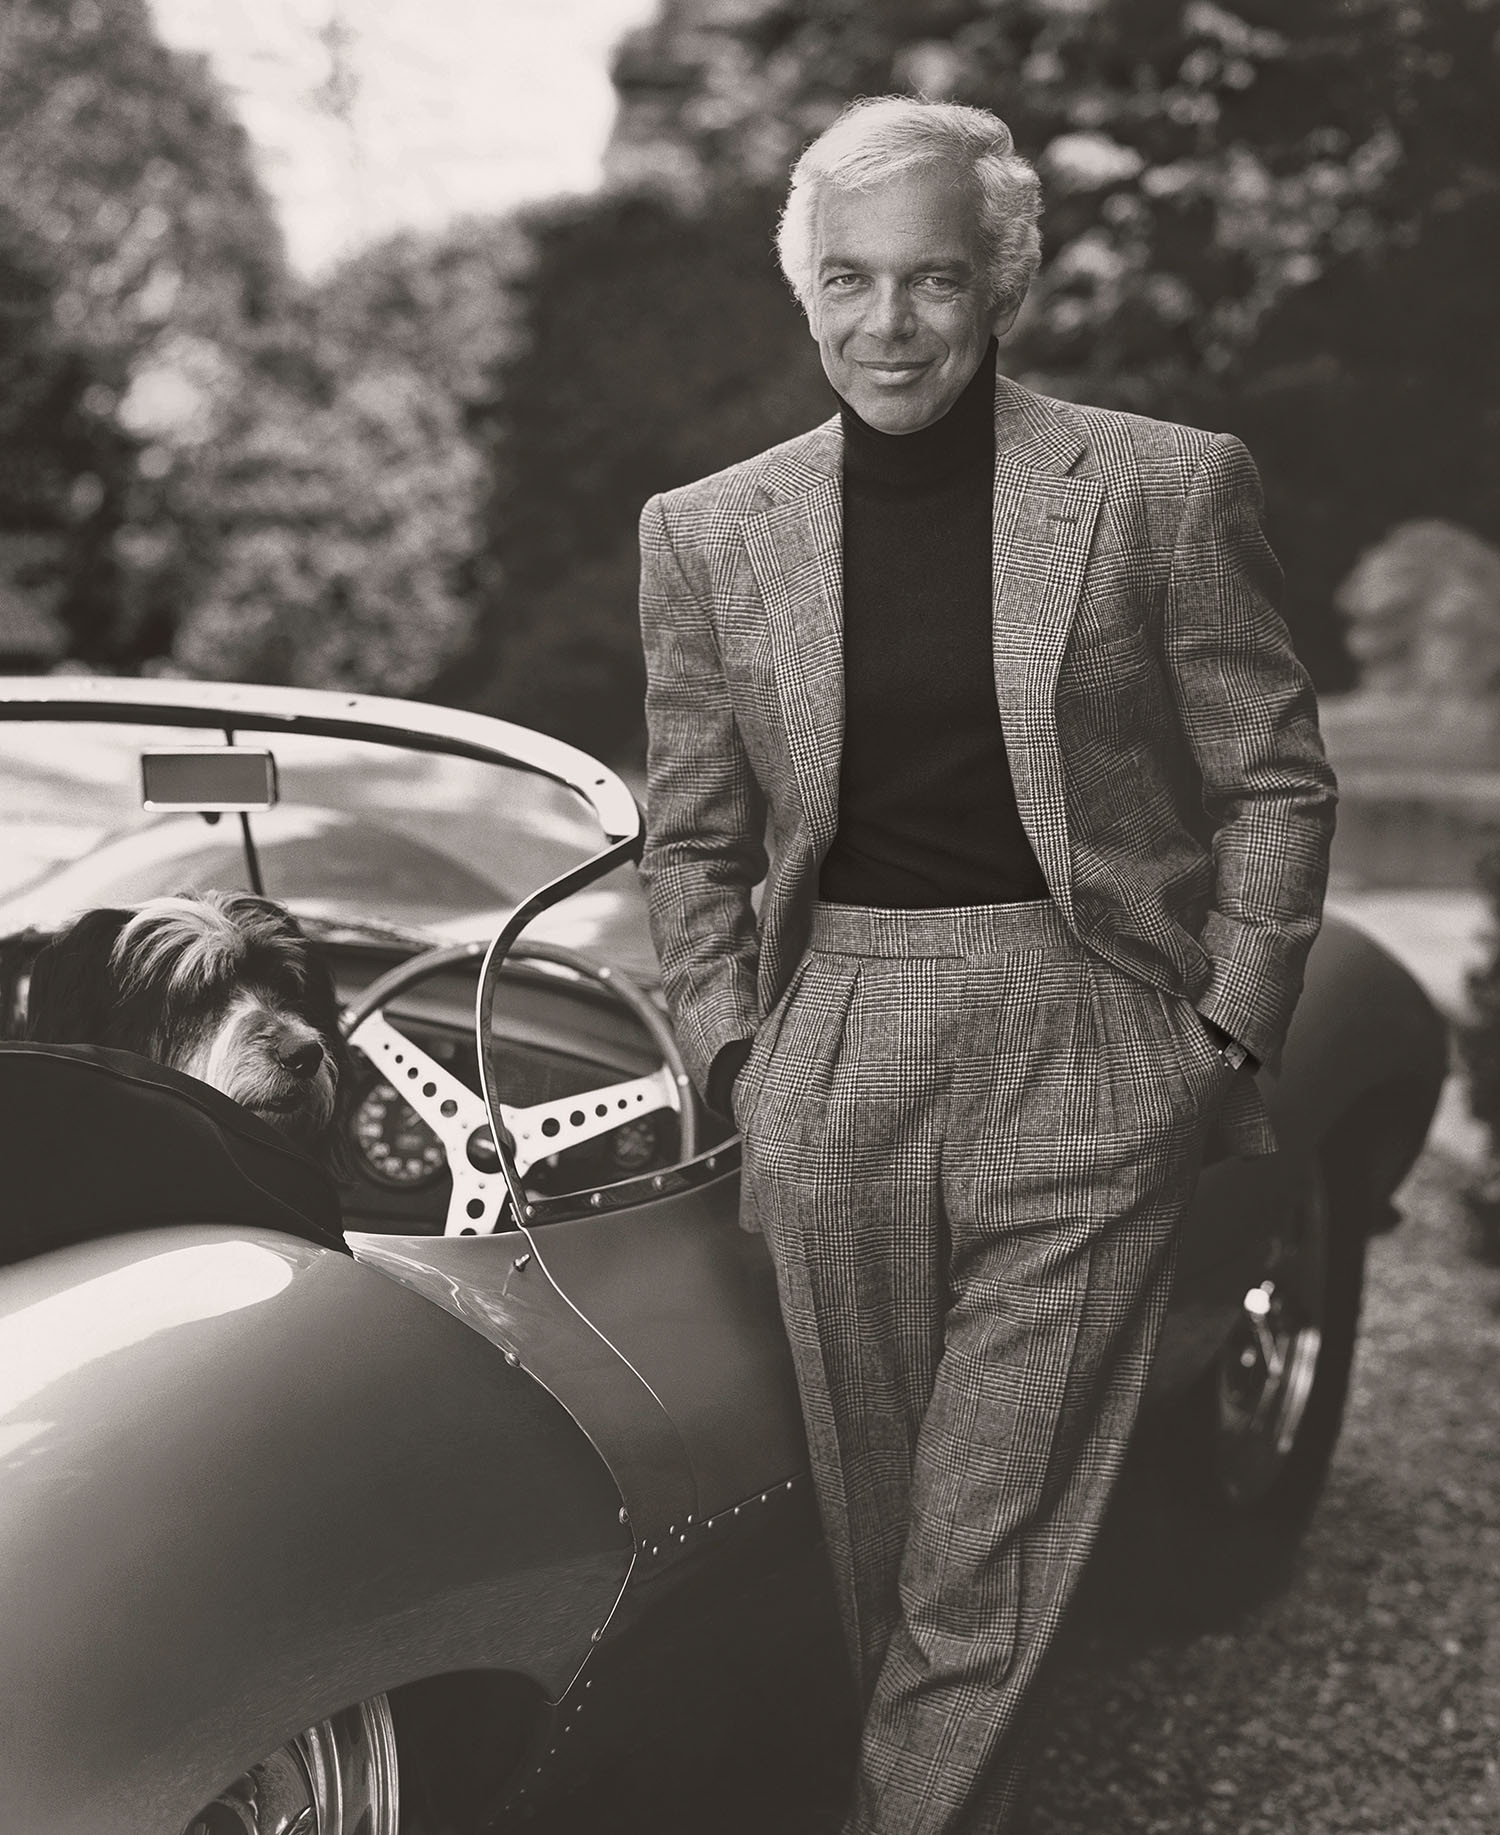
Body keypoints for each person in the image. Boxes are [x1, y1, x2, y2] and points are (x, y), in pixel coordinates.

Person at [637, 95, 1336, 1835]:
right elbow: (694, 837)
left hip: (1091, 1038)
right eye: (852, 280)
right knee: (884, 1544)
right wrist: (740, 1058)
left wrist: (1222, 1030)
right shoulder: (710, 531)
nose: (891, 325)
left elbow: (1274, 778)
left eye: (935, 278)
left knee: (987, 1544)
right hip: (834, 1057)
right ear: (806, 289)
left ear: (1003, 279)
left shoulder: (1163, 486)